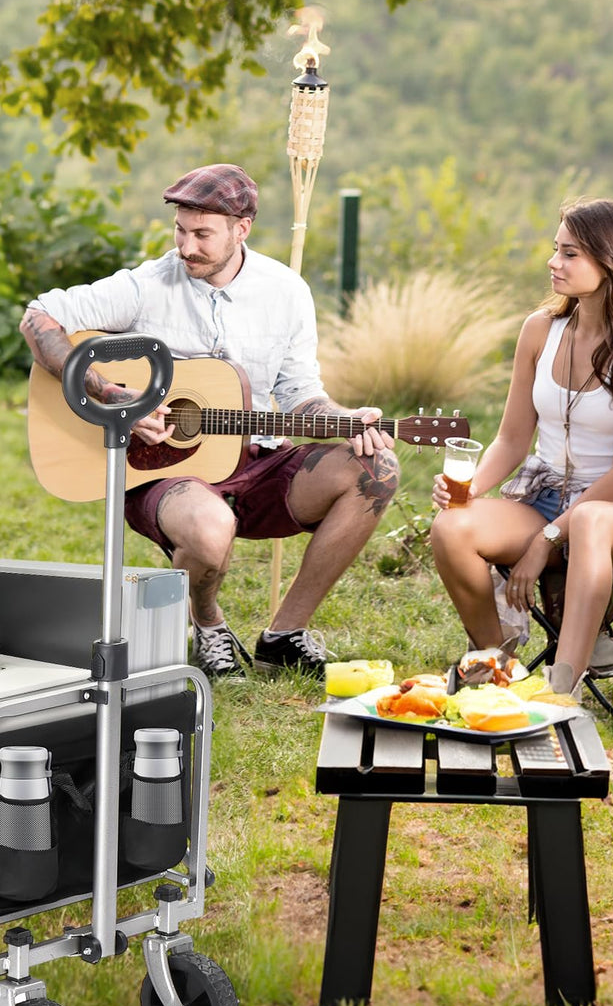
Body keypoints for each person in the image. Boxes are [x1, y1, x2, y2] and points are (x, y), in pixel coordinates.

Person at [20, 163, 399, 680]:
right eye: (180, 230)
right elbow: (39, 317)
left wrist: (346, 420)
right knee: (210, 527)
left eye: (202, 234)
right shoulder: (147, 285)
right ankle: (209, 624)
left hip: (260, 463)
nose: (186, 247)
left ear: (241, 230)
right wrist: (109, 395)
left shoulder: (286, 292)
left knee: (376, 469)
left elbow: (301, 394)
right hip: (165, 472)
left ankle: (284, 635)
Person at [430, 197, 613, 698]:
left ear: (611, 264)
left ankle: (562, 688)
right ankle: (500, 663)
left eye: (570, 254)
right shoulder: (540, 330)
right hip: (542, 495)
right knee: (451, 526)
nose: (553, 262)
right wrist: (468, 489)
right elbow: (512, 438)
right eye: (555, 249)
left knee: (588, 519)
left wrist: (545, 542)